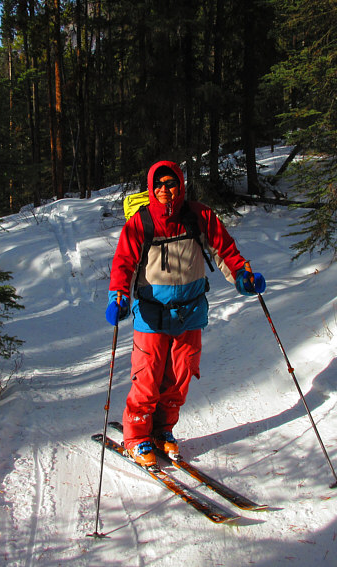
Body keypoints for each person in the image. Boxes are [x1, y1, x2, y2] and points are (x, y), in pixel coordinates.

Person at [105, 160, 266, 467]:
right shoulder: (141, 223)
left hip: (190, 311)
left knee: (180, 376)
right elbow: (123, 263)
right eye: (159, 185)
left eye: (171, 184)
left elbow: (226, 251)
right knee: (148, 377)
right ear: (152, 188)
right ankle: (137, 436)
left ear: (180, 185)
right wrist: (119, 298)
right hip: (151, 313)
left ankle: (163, 430)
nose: (165, 190)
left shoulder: (199, 216)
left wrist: (243, 277)